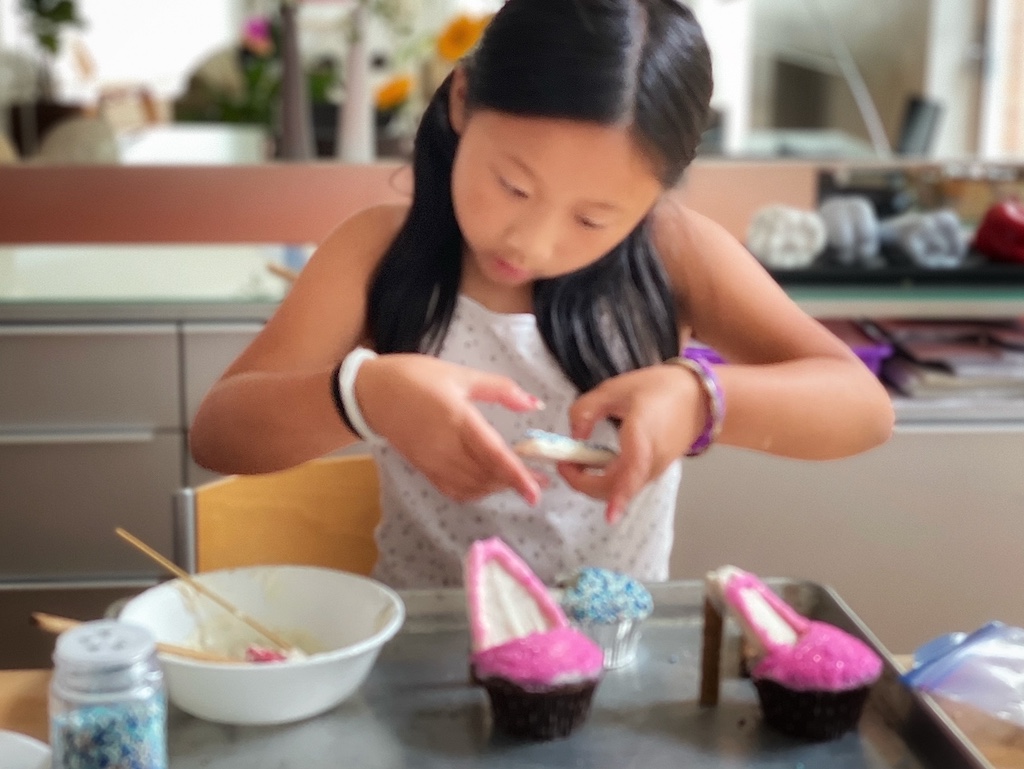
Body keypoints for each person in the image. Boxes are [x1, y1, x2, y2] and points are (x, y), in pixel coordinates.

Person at [190, 0, 894, 588]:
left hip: (612, 655)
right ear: (463, 99)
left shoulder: (673, 249)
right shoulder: (380, 249)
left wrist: (701, 397)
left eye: (592, 218)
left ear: (655, 194)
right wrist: (363, 394)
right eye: (513, 186)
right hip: (429, 653)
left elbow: (862, 406)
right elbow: (220, 432)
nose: (530, 241)